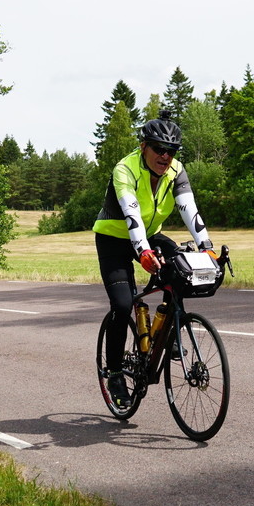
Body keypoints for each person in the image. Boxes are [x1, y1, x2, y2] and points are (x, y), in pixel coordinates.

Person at [93, 109, 215, 408]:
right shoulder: (125, 169)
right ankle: (115, 373)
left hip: (151, 235)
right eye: (159, 149)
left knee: (182, 268)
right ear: (143, 146)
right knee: (123, 305)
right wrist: (143, 252)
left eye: (171, 151)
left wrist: (207, 246)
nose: (166, 156)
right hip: (114, 238)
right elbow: (131, 213)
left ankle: (168, 332)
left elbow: (189, 209)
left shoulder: (176, 171)